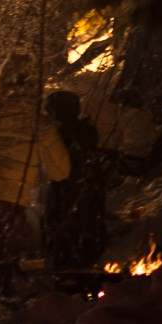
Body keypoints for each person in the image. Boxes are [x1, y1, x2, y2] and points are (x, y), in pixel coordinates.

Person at [0, 52, 71, 296]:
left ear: (2, 78)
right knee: (0, 272)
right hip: (9, 204)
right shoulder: (40, 124)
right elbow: (61, 172)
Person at [41, 89, 110, 270]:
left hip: (67, 194)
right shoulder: (86, 134)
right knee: (87, 238)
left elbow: (58, 171)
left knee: (66, 241)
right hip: (89, 195)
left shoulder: (59, 138)